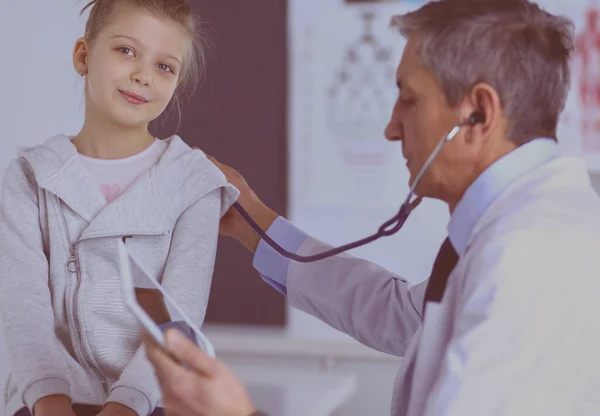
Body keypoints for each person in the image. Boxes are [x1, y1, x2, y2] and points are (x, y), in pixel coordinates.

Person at [145, 0, 600, 415]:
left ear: (478, 114)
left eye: (410, 99)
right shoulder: (523, 224)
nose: (391, 127)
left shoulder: (528, 260)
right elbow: (402, 315)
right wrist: (253, 221)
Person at [0, 1, 237, 416]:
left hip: (152, 402)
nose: (143, 75)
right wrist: (49, 403)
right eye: (126, 50)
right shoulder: (28, 177)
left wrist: (126, 405)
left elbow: (180, 318)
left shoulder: (193, 184)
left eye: (165, 67)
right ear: (83, 56)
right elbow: (23, 311)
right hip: (45, 402)